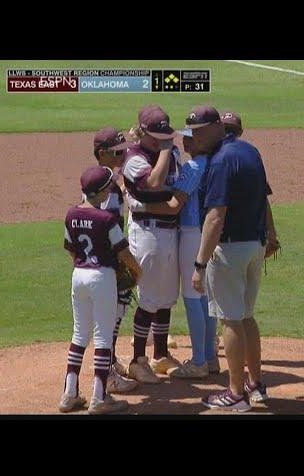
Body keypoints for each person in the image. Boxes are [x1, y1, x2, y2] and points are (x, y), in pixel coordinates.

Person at [184, 105, 280, 412]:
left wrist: (200, 263)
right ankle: (256, 385)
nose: (195, 138)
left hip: (229, 250)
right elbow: (263, 199)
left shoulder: (220, 162)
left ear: (217, 128)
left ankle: (236, 392)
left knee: (230, 319)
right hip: (255, 245)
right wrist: (272, 235)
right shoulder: (250, 152)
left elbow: (215, 217)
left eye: (199, 132)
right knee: (246, 316)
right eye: (192, 133)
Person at [126, 126, 219, 378]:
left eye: (189, 137)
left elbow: (174, 206)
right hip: (210, 233)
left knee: (193, 298)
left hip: (191, 234)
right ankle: (209, 357)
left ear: (200, 141)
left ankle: (200, 360)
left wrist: (138, 205)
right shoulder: (215, 161)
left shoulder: (192, 167)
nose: (184, 141)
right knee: (205, 298)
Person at [60, 166, 141, 414]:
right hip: (102, 277)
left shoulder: (71, 214)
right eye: (108, 186)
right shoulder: (107, 219)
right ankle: (99, 397)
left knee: (79, 335)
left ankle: (69, 394)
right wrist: (138, 273)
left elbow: (70, 249)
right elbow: (123, 252)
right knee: (103, 337)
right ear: (103, 191)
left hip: (79, 275)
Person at [122, 105, 182, 384]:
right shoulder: (133, 158)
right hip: (146, 233)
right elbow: (156, 182)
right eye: (157, 136)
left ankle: (160, 355)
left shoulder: (166, 153)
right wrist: (167, 150)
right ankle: (137, 360)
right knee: (148, 297)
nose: (162, 140)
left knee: (167, 295)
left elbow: (176, 189)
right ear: (143, 132)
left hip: (170, 231)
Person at [91, 127, 138, 393]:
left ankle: (108, 361)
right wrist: (122, 262)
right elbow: (108, 228)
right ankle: (106, 374)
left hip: (100, 262)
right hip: (109, 262)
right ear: (102, 154)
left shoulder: (99, 181)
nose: (122, 156)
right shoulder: (107, 188)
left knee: (113, 315)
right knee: (112, 317)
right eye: (116, 153)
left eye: (123, 151)